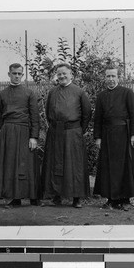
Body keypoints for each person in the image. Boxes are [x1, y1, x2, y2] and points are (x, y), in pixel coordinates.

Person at [93, 65, 134, 210]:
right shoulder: (101, 96)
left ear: (118, 77)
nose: (110, 79)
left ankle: (125, 200)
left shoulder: (127, 93)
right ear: (105, 78)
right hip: (107, 135)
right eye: (108, 76)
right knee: (108, 167)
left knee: (125, 167)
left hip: (124, 134)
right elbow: (97, 119)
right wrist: (97, 137)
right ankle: (111, 200)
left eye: (113, 76)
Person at [42, 63, 92, 208]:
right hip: (56, 131)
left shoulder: (79, 92)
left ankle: (77, 198)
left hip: (73, 132)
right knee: (55, 163)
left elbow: (87, 113)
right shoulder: (52, 92)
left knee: (74, 166)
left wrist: (77, 130)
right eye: (59, 74)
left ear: (71, 75)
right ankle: (57, 196)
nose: (62, 76)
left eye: (64, 73)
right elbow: (48, 112)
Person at [0, 63, 42, 206]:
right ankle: (16, 197)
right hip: (8, 132)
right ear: (9, 74)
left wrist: (34, 136)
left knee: (28, 164)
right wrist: (7, 129)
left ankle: (34, 197)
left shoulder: (29, 93)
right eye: (14, 73)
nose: (17, 76)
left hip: (25, 131)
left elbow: (35, 117)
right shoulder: (2, 94)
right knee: (10, 164)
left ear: (22, 75)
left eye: (20, 74)